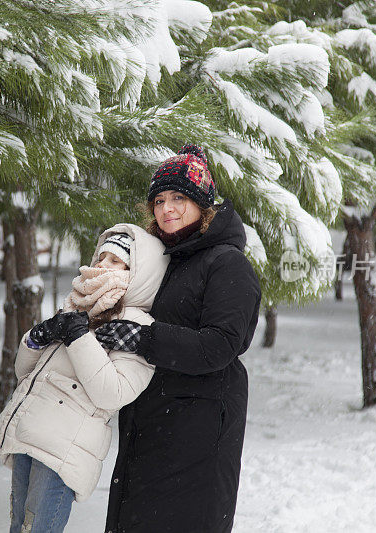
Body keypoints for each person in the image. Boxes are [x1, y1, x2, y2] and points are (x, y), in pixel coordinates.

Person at [95, 144, 262, 533]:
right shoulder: (166, 260)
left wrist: (143, 338)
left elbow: (219, 345)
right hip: (151, 425)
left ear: (203, 204)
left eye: (179, 198)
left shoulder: (226, 262)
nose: (166, 208)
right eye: (159, 200)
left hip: (199, 433)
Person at [0, 224, 169, 533]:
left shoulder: (137, 325)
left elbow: (112, 393)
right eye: (101, 258)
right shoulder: (78, 306)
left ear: (139, 273)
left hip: (63, 448)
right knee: (18, 526)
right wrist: (36, 337)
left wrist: (78, 338)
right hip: (29, 430)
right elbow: (27, 374)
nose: (103, 266)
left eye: (116, 261)